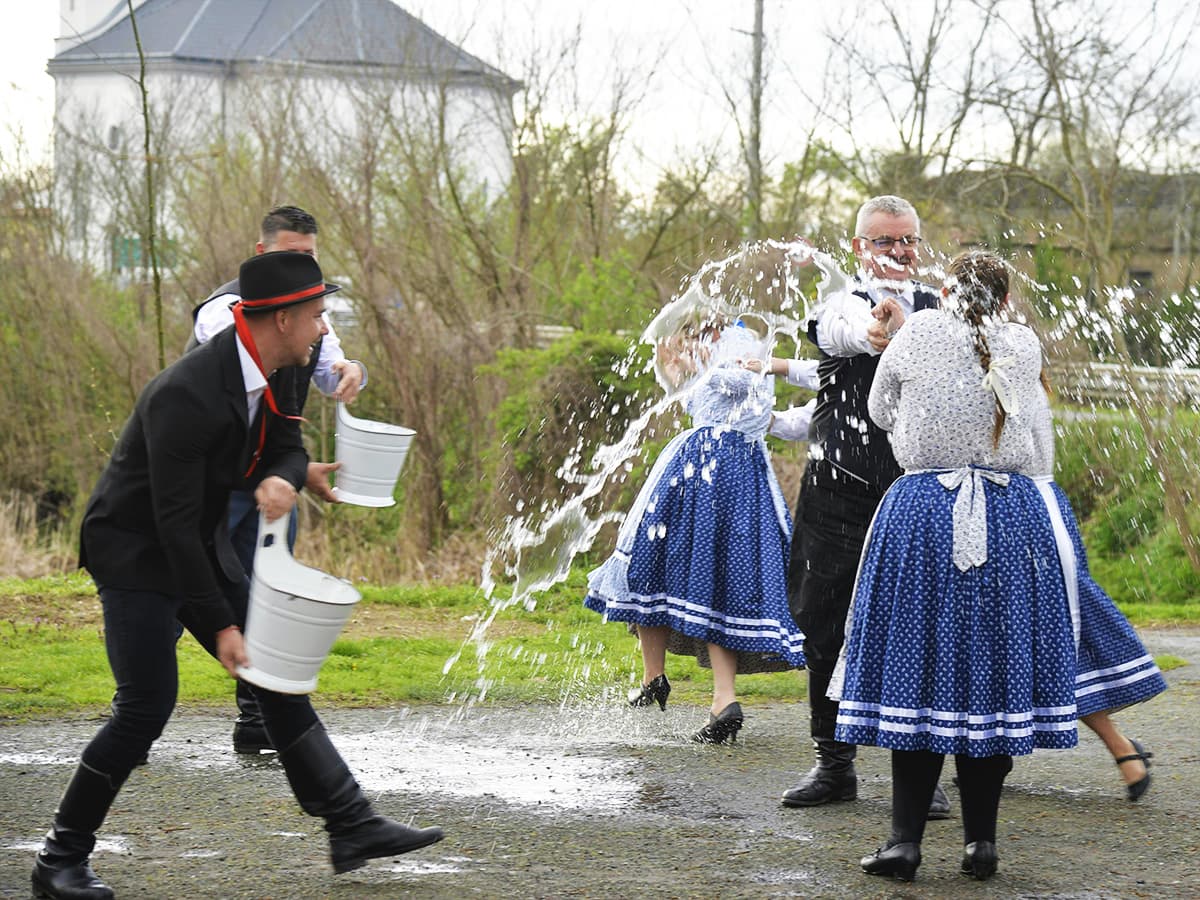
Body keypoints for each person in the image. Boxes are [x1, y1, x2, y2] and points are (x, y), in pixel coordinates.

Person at [32, 252, 441, 900]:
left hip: (192, 539)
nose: (322, 328)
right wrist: (220, 624)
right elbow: (172, 522)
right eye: (315, 315)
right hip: (136, 549)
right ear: (280, 319)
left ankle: (350, 824)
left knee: (272, 668)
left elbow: (285, 440)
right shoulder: (184, 393)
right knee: (145, 708)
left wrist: (286, 473)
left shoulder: (280, 367)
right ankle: (58, 860)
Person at [835, 250, 1078, 883]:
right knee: (992, 677)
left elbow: (880, 411)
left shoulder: (917, 330)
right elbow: (1033, 429)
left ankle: (904, 844)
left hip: (921, 513)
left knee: (916, 666)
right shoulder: (1022, 343)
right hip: (1009, 513)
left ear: (945, 290)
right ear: (1004, 298)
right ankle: (982, 845)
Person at [777, 196, 949, 819]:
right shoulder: (839, 302)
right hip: (837, 489)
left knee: (919, 624)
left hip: (913, 491)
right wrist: (877, 328)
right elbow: (845, 331)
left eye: (907, 240)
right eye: (885, 241)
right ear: (859, 247)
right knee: (822, 617)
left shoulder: (941, 310)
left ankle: (919, 776)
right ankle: (834, 762)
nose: (899, 251)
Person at [190, 205, 366, 755]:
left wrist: (347, 370)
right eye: (291, 255)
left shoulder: (310, 315)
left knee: (264, 589)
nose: (302, 265)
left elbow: (325, 361)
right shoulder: (222, 312)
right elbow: (252, 352)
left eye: (309, 256)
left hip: (272, 472)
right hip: (213, 476)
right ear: (262, 254)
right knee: (186, 587)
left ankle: (257, 718)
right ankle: (138, 707)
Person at [585, 314, 807, 743]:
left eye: (691, 339)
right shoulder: (718, 360)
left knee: (669, 568)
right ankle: (685, 688)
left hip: (708, 469)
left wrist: (717, 363)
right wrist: (681, 369)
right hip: (727, 473)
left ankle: (697, 692)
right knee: (685, 574)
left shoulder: (740, 350)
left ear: (710, 332)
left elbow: (751, 392)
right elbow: (700, 394)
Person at [1029, 383, 1168, 800]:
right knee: (1039, 638)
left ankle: (1121, 748)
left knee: (1056, 637)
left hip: (1029, 513)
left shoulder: (1010, 382)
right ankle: (984, 759)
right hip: (1031, 510)